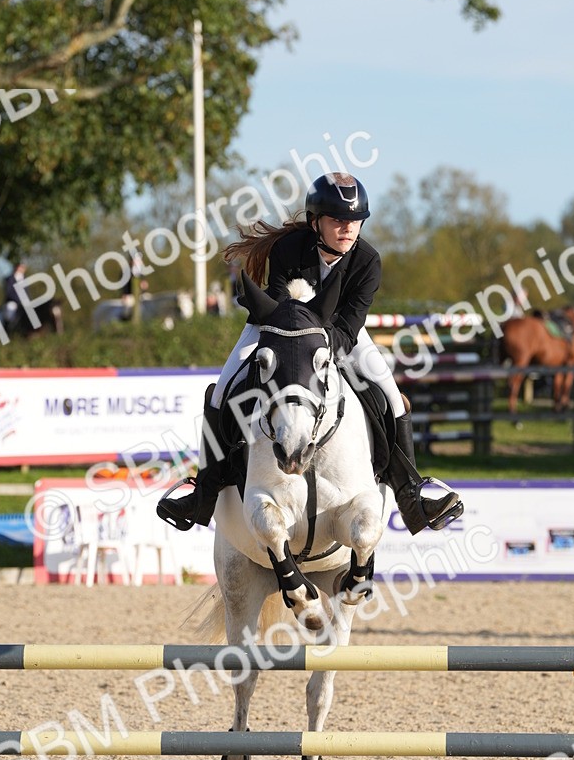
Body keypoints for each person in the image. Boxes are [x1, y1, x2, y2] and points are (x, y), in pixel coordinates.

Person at [158, 173, 464, 535]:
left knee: (392, 397)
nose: (348, 228)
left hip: (341, 334)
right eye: (338, 220)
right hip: (277, 329)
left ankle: (411, 498)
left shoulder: (368, 261)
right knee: (223, 388)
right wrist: (300, 340)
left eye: (355, 221)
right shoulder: (289, 249)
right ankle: (203, 494)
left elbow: (351, 323)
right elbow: (277, 308)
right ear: (316, 221)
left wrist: (322, 345)